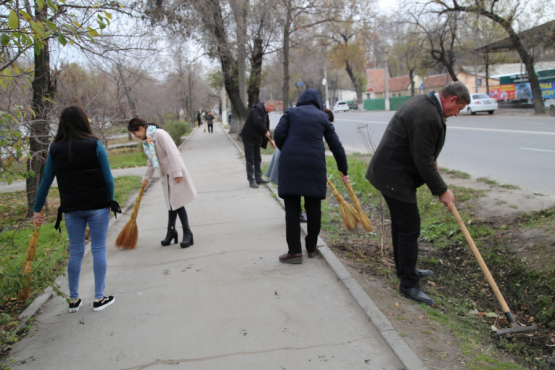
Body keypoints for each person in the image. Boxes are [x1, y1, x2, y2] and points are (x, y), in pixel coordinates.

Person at [366, 82, 470, 305]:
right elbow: (422, 161)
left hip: (390, 172)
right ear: (451, 100)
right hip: (394, 176)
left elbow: (421, 150)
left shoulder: (425, 103)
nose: (457, 114)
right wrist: (442, 190)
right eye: (459, 108)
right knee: (410, 226)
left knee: (402, 225)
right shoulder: (428, 115)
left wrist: (431, 159)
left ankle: (406, 269)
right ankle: (409, 284)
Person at [32, 106, 120, 313]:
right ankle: (99, 298)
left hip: (71, 209)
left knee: (76, 252)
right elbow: (108, 178)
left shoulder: (54, 149)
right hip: (98, 206)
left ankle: (73, 299)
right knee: (98, 249)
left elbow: (45, 181)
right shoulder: (95, 145)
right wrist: (111, 200)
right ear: (83, 122)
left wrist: (37, 209)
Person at [274, 89, 349, 264]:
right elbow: (336, 146)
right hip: (314, 166)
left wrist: (288, 150)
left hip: (290, 165)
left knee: (292, 209)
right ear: (318, 102)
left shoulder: (291, 113)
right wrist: (343, 170)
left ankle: (294, 252)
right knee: (313, 207)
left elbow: (278, 135)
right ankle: (311, 247)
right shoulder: (323, 117)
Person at [128, 118, 197, 248]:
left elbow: (173, 153)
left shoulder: (159, 134)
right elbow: (151, 161)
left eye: (135, 133)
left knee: (178, 203)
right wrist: (146, 178)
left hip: (174, 173)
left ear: (141, 128)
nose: (135, 136)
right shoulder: (147, 141)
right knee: (171, 204)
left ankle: (187, 232)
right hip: (165, 175)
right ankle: (171, 232)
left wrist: (177, 173)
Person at [240, 100, 276, 188]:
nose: (272, 111)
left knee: (257, 158)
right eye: (272, 109)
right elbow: (258, 123)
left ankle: (258, 177)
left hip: (256, 138)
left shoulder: (263, 111)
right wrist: (265, 131)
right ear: (269, 105)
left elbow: (265, 126)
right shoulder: (257, 109)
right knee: (250, 160)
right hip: (249, 137)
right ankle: (251, 180)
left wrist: (271, 139)